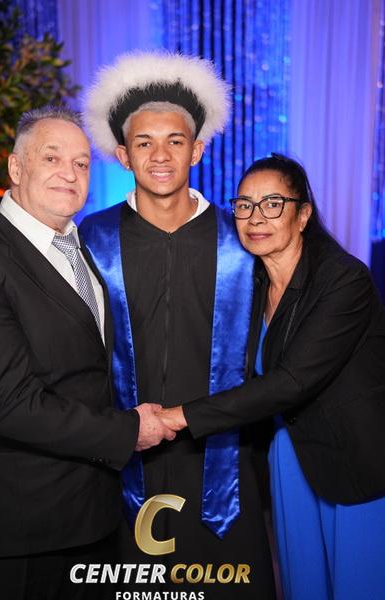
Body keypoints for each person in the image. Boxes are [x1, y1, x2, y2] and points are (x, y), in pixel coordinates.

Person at [0, 105, 175, 600]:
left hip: (88, 518)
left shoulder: (75, 246)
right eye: (52, 158)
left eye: (82, 163)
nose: (70, 173)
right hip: (15, 531)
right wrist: (129, 430)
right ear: (16, 167)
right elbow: (5, 404)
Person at [80, 52, 276, 599]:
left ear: (198, 148)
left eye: (175, 140)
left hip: (224, 462)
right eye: (144, 143)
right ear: (123, 155)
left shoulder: (242, 240)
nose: (161, 155)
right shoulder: (91, 239)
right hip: (122, 459)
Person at [159, 154, 385, 600]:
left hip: (354, 460)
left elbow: (291, 382)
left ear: (303, 215)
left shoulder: (344, 280)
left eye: (272, 204)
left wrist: (177, 417)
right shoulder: (252, 284)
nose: (255, 217)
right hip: (290, 458)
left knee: (358, 586)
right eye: (244, 205)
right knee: (303, 586)